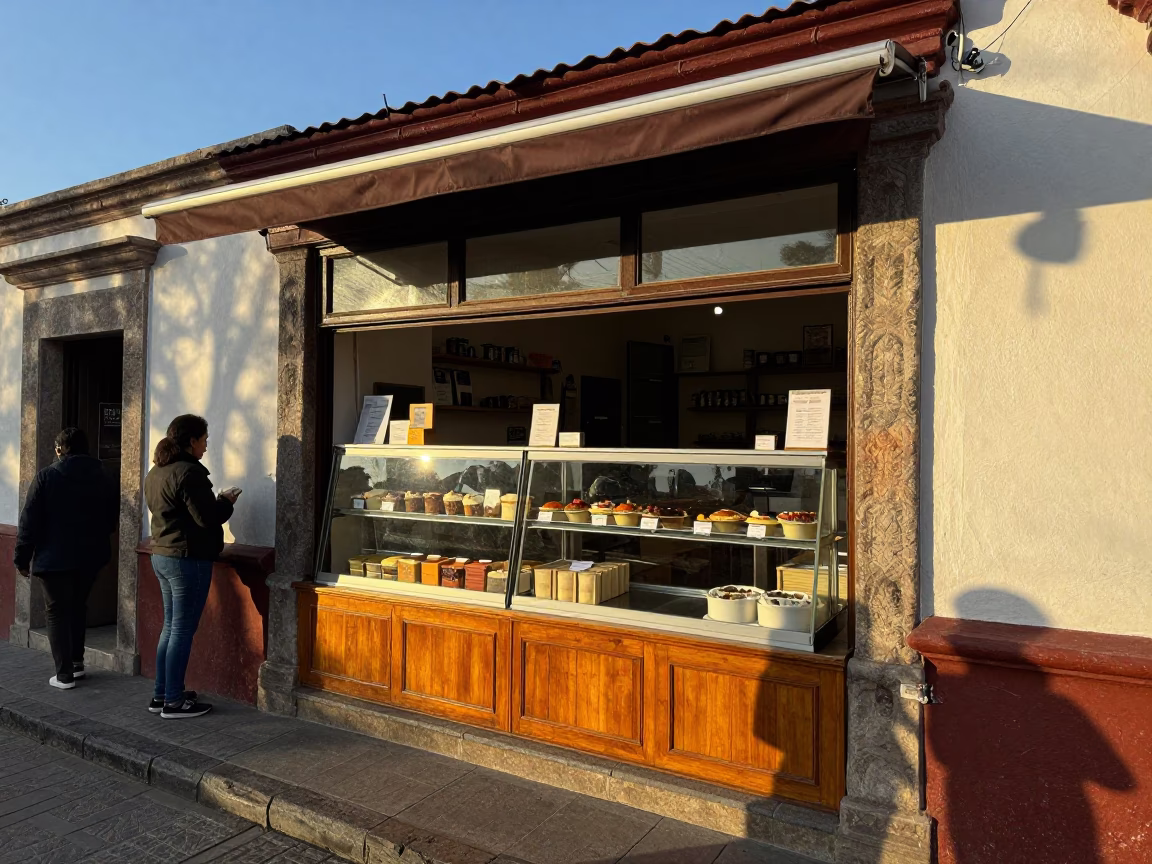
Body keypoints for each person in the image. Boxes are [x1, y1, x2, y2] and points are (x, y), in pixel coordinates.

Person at [144, 414, 240, 719]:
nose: (206, 446)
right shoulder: (188, 473)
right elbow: (207, 517)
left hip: (162, 554)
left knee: (171, 627)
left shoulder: (156, 472)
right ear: (191, 441)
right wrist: (225, 501)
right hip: (187, 559)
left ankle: (162, 693)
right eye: (204, 440)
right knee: (182, 630)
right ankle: (173, 700)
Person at [14, 428, 118, 690]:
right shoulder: (104, 476)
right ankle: (77, 662)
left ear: (60, 449)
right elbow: (110, 519)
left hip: (54, 557)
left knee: (57, 611)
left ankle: (64, 674)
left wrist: (21, 558)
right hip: (91, 557)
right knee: (77, 606)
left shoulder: (47, 476)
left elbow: (29, 521)